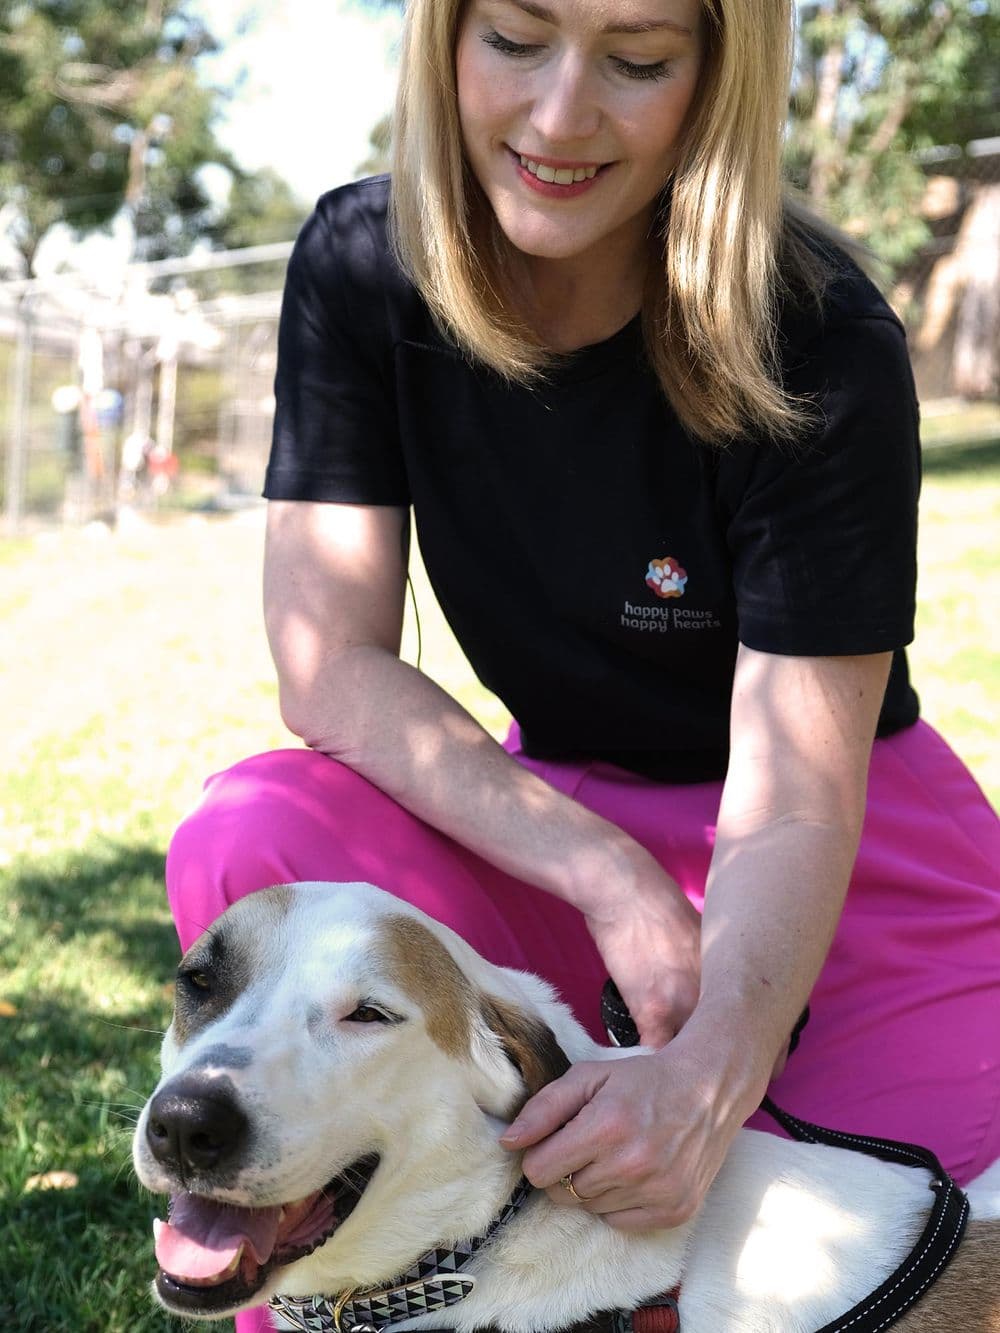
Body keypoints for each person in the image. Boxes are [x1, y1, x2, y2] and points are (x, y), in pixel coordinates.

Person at [165, 0, 1000, 1328]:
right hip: (549, 822)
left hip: (833, 853)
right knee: (257, 826)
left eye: (638, 60)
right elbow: (328, 665)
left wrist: (714, 1071)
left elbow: (795, 793)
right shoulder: (360, 262)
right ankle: (306, 1279)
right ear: (444, 41)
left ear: (716, 81)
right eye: (515, 39)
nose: (560, 117)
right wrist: (607, 873)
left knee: (900, 1244)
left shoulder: (822, 334)